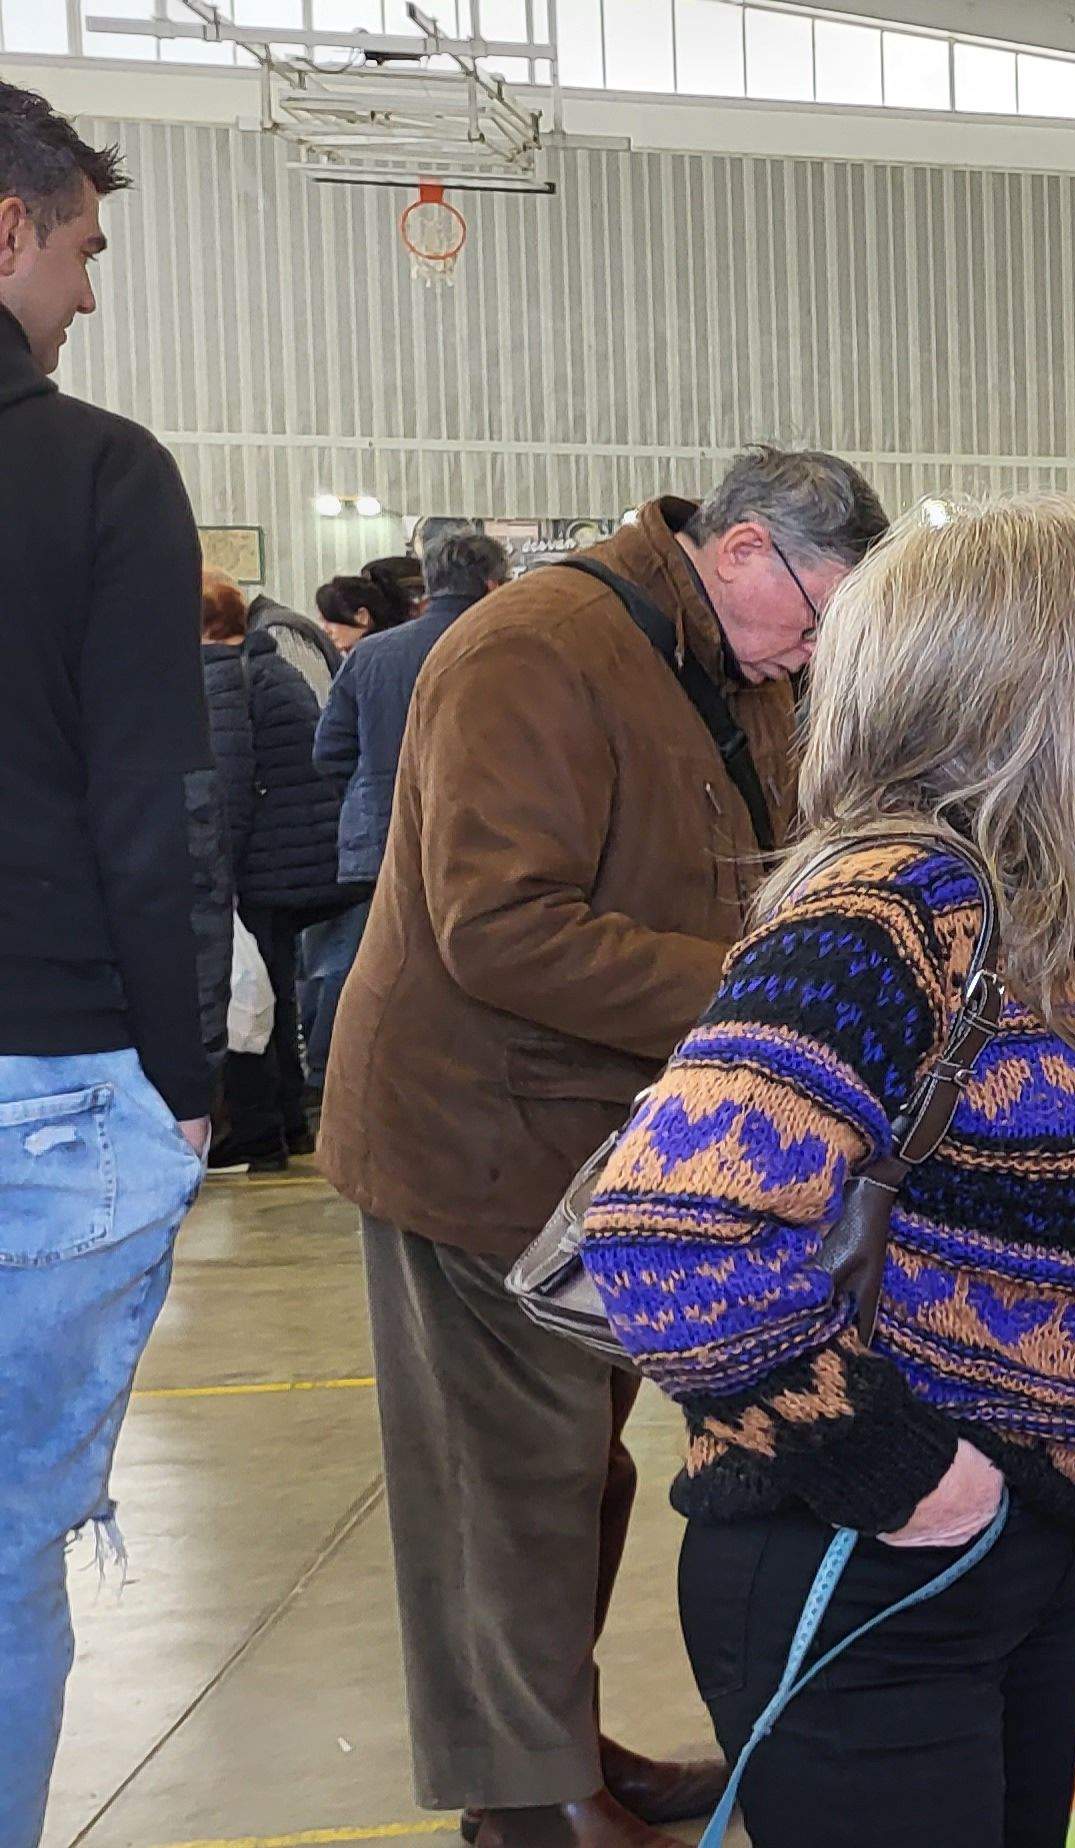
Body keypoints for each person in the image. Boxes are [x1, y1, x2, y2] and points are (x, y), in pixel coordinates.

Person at [580, 494, 1075, 1846]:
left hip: (1008, 1559)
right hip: (877, 1565)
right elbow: (666, 1238)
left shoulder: (1055, 921)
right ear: (1048, 688)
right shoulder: (893, 910)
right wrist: (905, 1472)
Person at [318, 446, 885, 1848]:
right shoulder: (536, 650)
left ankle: (559, 1747)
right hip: (477, 1140)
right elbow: (499, 929)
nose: (810, 652)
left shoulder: (720, 662)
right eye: (812, 614)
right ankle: (528, 1806)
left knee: (579, 1466)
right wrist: (762, 994)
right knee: (506, 1484)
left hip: (597, 1146)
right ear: (743, 548)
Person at [0, 82, 209, 1848]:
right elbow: (154, 806)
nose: (87, 292)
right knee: (0, 1555)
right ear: (10, 228)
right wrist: (194, 1082)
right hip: (42, 1078)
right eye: (80, 247)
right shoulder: (93, 470)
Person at [311, 532, 509, 1093]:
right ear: (494, 584)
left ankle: (348, 1080)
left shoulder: (372, 654)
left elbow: (328, 751)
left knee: (372, 959)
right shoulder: (508, 643)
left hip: (377, 832)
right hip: (484, 832)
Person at [198, 571, 348, 1169]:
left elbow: (226, 787)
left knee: (242, 997)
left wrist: (216, 876)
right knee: (275, 994)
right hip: (297, 864)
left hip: (258, 868)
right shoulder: (269, 666)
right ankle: (289, 1120)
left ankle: (259, 1129)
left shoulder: (218, 679)